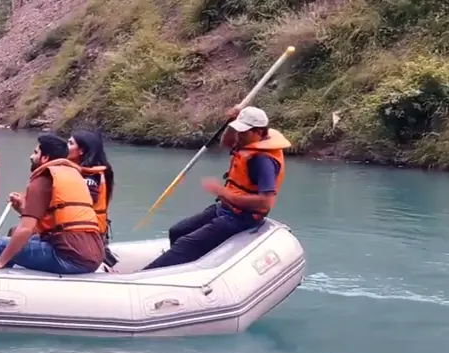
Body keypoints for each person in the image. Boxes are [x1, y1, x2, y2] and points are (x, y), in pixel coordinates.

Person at [141, 106, 289, 271]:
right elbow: (226, 142)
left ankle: (144, 275)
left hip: (243, 218)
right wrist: (232, 121)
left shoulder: (263, 161)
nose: (238, 136)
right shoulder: (249, 142)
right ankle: (181, 268)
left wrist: (224, 193)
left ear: (259, 131)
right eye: (238, 131)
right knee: (177, 231)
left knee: (185, 244)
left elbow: (265, 203)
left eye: (243, 132)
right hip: (226, 208)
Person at [0, 134, 104, 275]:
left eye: (35, 152)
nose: (31, 156)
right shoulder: (74, 175)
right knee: (18, 237)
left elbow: (26, 229)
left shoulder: (43, 179)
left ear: (45, 158)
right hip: (94, 254)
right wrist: (22, 208)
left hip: (70, 258)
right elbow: (52, 220)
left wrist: (0, 261)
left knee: (0, 245)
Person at [66, 130, 120, 269]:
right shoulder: (87, 172)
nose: (66, 146)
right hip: (93, 232)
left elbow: (82, 205)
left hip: (87, 236)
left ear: (81, 151)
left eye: (70, 143)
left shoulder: (90, 177)